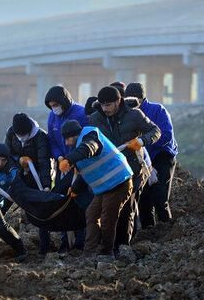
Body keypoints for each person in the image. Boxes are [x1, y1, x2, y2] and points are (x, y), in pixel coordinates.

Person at [87, 86, 161, 250]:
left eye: (109, 105)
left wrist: (141, 141)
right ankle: (108, 246)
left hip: (133, 169)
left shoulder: (134, 115)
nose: (105, 109)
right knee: (109, 210)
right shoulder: (95, 119)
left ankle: (123, 247)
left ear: (118, 101)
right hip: (110, 172)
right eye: (103, 105)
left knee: (127, 208)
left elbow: (155, 131)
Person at [58, 120, 133, 256]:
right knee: (91, 214)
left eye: (67, 139)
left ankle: (106, 253)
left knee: (107, 220)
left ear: (75, 135)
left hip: (119, 182)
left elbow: (89, 148)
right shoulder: (79, 150)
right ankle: (89, 253)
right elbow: (86, 172)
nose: (66, 143)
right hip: (105, 188)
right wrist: (75, 189)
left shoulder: (90, 136)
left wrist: (68, 160)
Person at [0, 113, 53, 254]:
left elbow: (44, 162)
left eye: (23, 134)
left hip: (35, 178)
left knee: (40, 212)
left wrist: (46, 186)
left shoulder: (40, 137)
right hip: (15, 177)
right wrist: (19, 159)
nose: (21, 137)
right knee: (0, 208)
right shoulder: (11, 132)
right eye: (18, 134)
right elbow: (7, 155)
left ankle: (45, 248)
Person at [125, 82, 178, 227]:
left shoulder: (157, 110)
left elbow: (165, 136)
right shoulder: (126, 114)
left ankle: (166, 229)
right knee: (144, 200)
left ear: (141, 99)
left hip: (162, 155)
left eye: (135, 101)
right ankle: (149, 233)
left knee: (160, 197)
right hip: (140, 159)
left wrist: (144, 147)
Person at [44, 84, 87, 251]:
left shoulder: (80, 113)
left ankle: (81, 240)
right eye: (51, 106)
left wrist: (73, 160)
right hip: (62, 166)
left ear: (64, 101)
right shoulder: (52, 117)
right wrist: (60, 157)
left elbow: (85, 140)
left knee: (79, 200)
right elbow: (52, 141)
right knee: (63, 201)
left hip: (79, 165)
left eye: (56, 104)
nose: (54, 108)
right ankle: (65, 240)